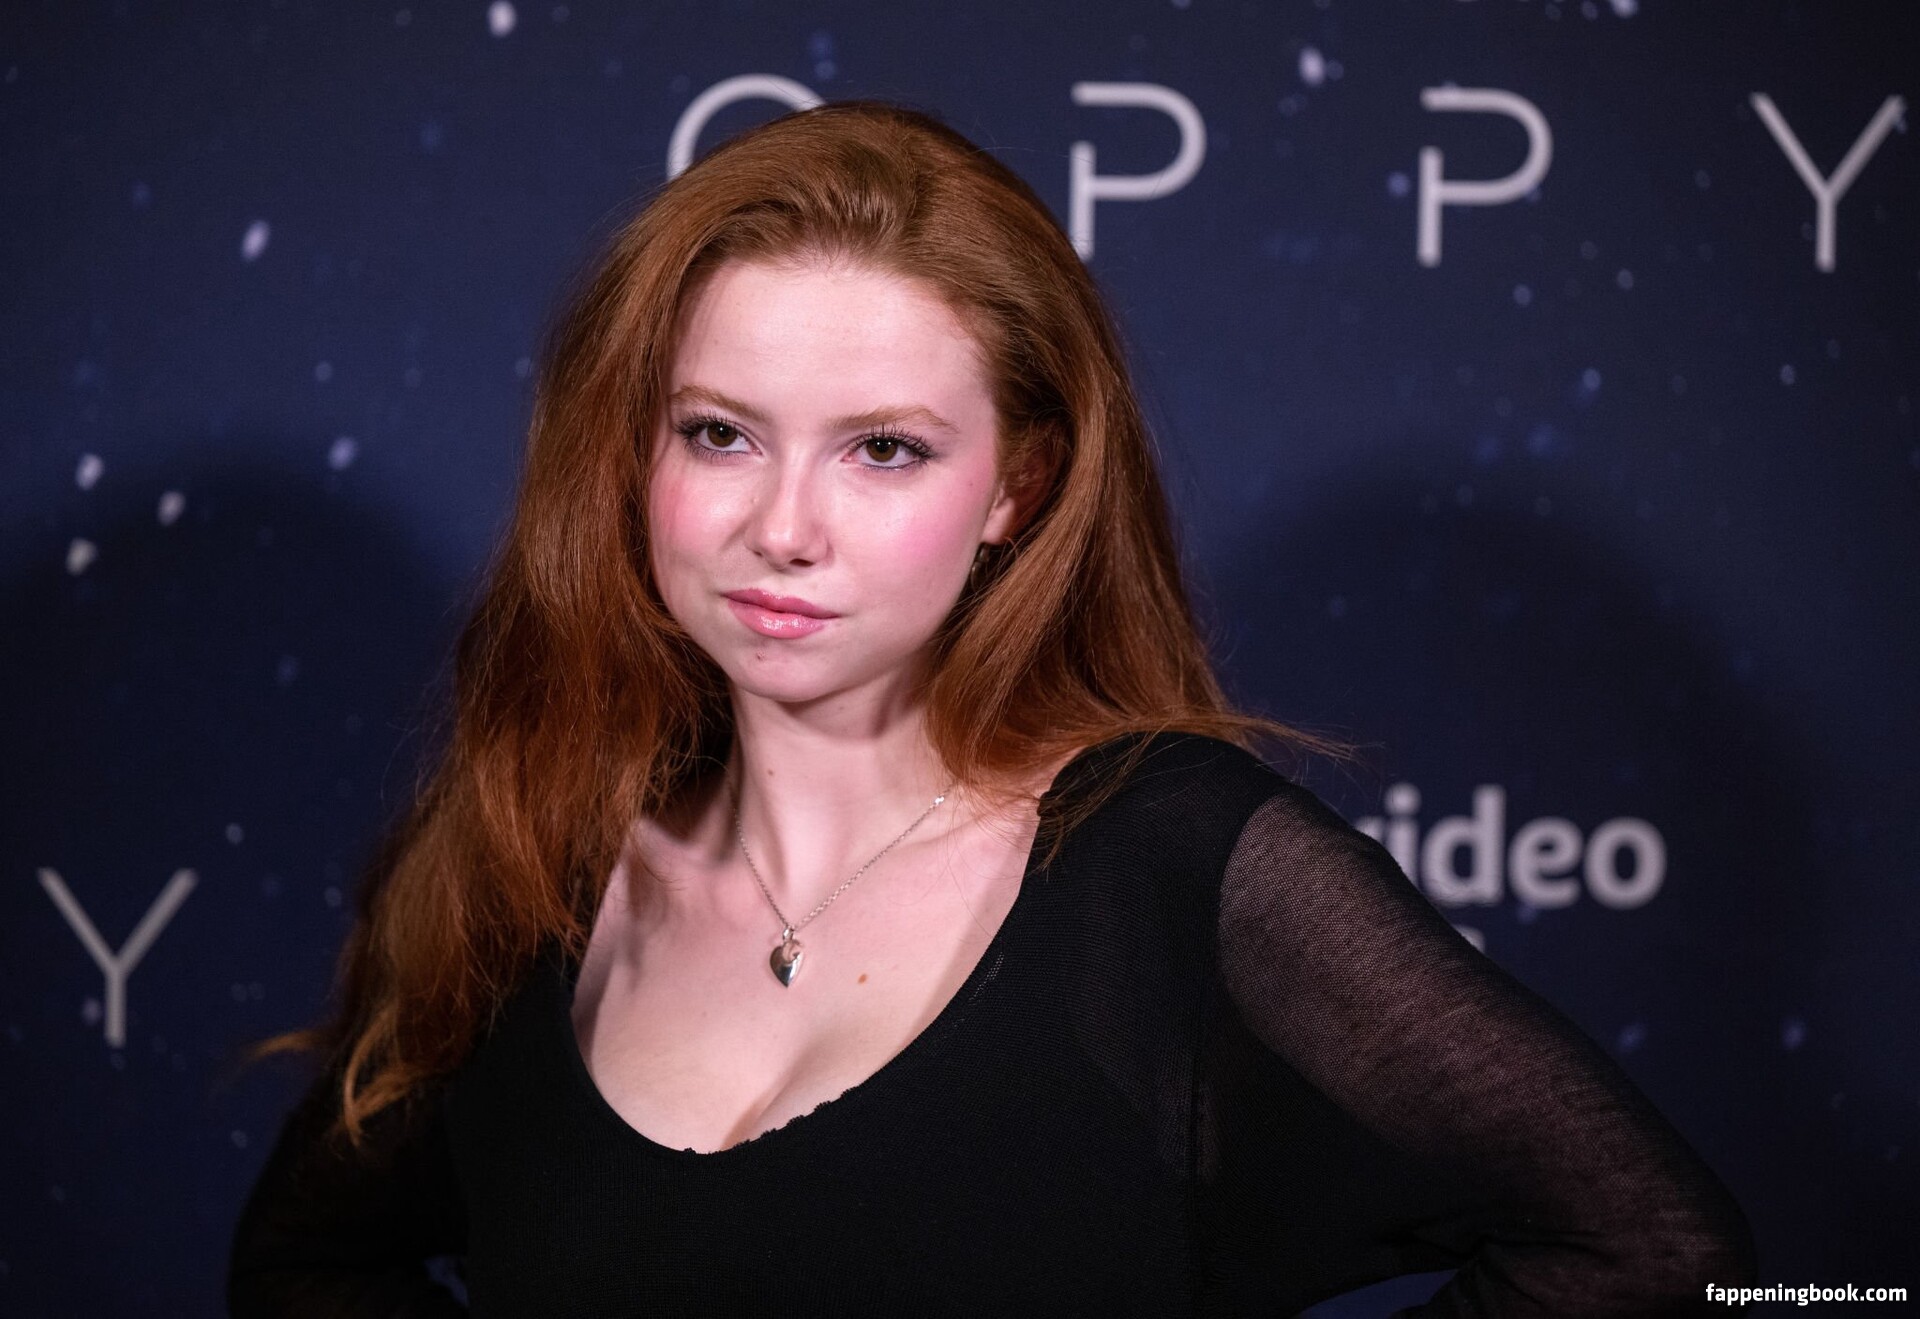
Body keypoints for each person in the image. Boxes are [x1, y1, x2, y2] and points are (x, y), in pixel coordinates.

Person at [226, 99, 1757, 1316]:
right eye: (719, 434)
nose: (782, 528)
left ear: (1017, 487)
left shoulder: (1165, 862)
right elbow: (304, 1265)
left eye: (883, 450)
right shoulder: (536, 865)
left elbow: (1661, 1250)